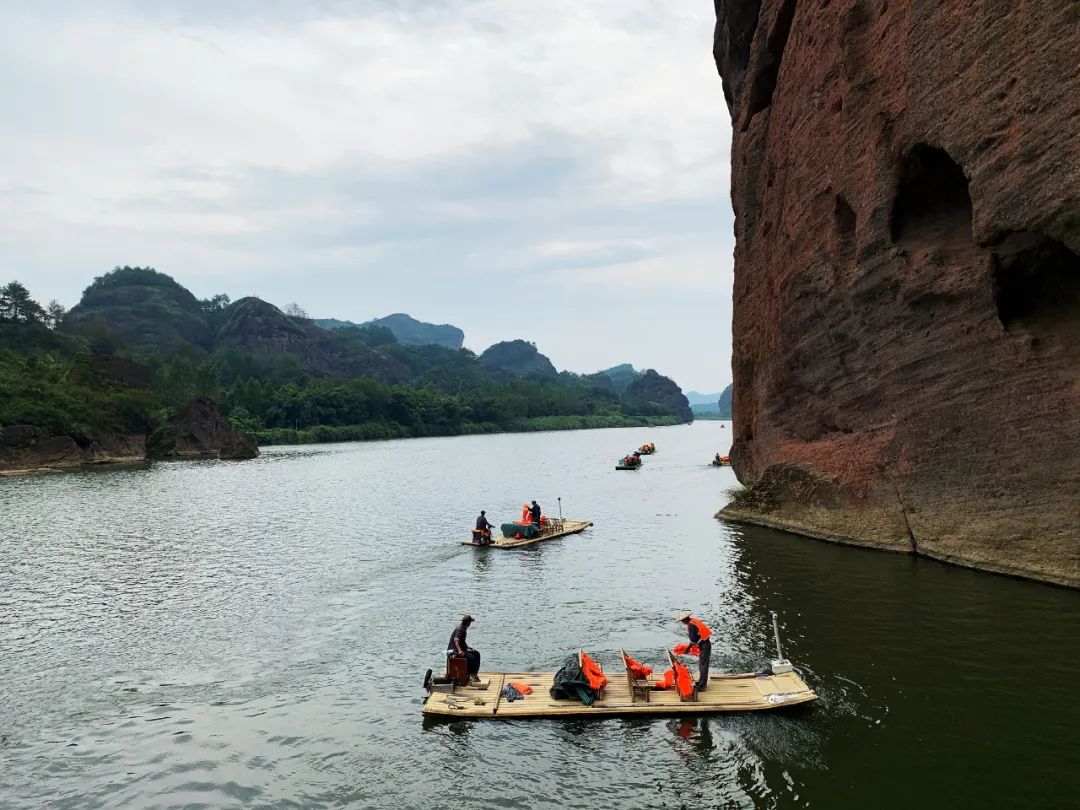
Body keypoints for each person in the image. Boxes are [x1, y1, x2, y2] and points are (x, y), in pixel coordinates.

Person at [677, 611, 713, 691]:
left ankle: (702, 686)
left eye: (682, 621)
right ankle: (701, 682)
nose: (682, 622)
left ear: (685, 619)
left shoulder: (691, 625)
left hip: (705, 645)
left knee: (703, 666)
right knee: (702, 665)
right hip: (704, 643)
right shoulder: (694, 621)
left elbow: (693, 639)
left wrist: (687, 649)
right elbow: (696, 638)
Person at [448, 614, 480, 682]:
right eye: (470, 622)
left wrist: (468, 647)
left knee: (477, 654)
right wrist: (460, 651)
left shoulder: (464, 628)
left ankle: (474, 673)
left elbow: (462, 641)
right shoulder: (460, 629)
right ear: (468, 623)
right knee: (472, 658)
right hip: (455, 651)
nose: (470, 624)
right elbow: (456, 640)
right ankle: (471, 673)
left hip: (462, 649)